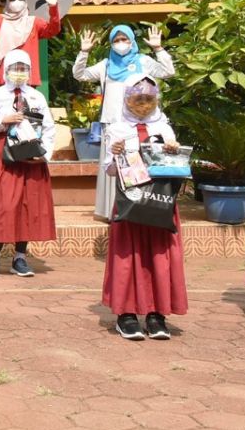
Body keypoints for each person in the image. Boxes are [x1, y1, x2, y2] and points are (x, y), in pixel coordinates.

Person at [101, 77, 187, 340]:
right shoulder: (117, 129)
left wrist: (173, 150)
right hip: (132, 199)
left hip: (160, 200)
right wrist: (116, 154)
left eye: (149, 99)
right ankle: (126, 314)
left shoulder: (164, 127)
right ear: (126, 100)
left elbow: (176, 168)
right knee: (128, 254)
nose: (143, 105)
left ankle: (156, 314)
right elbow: (111, 171)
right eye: (137, 99)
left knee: (160, 255)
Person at [74, 25, 174, 219]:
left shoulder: (143, 61)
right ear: (111, 44)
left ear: (132, 41)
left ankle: (141, 207)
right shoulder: (106, 65)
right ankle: (113, 211)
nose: (121, 44)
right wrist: (84, 52)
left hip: (142, 124)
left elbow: (168, 72)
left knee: (142, 167)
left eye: (125, 39)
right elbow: (80, 75)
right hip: (113, 124)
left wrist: (158, 49)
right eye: (117, 40)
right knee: (112, 167)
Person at [0, 51, 57, 278]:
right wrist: (2, 121)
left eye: (24, 68)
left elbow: (49, 127)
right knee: (5, 202)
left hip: (32, 153)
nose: (19, 72)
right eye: (15, 67)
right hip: (7, 154)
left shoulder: (36, 97)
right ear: (6, 70)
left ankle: (20, 257)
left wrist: (46, 154)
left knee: (29, 203)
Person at [0, 0, 61, 88]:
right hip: (3, 79)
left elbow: (53, 29)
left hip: (28, 79)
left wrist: (53, 7)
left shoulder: (34, 22)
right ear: (7, 1)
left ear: (25, 1)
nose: (17, 1)